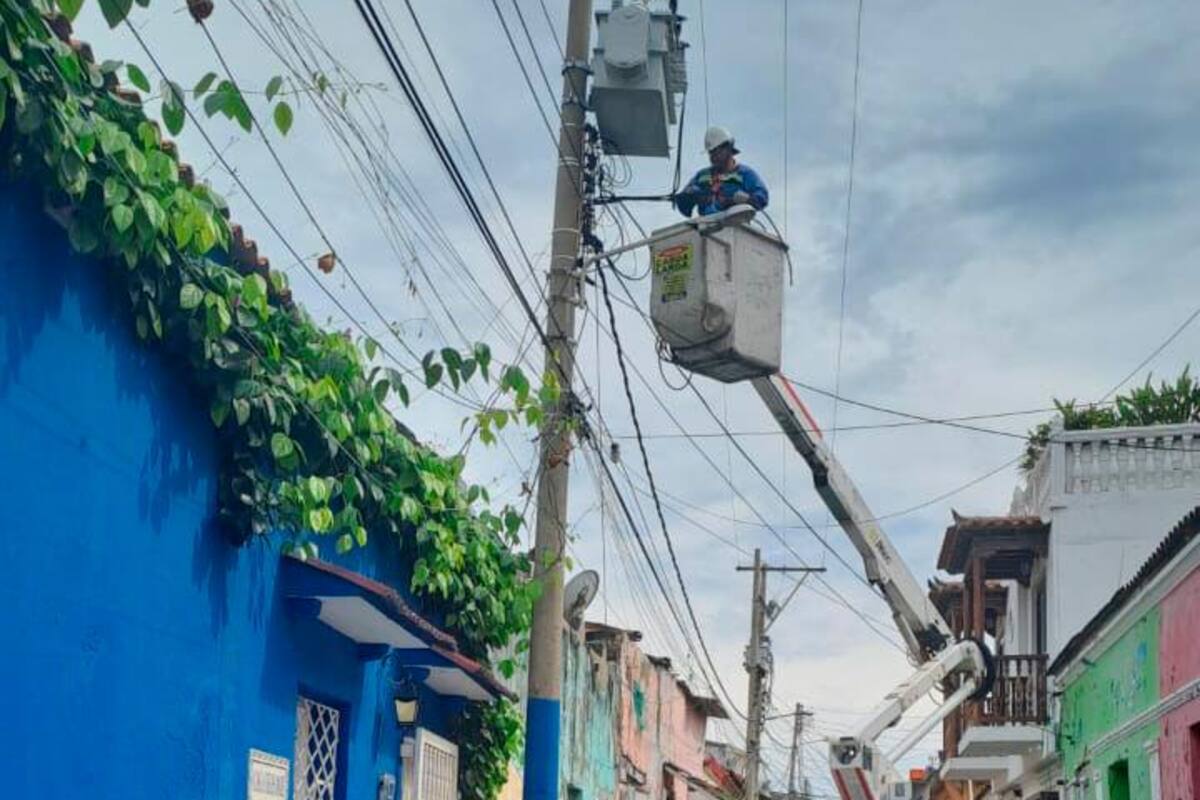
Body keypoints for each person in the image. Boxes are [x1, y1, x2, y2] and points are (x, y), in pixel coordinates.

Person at [673, 126, 769, 218]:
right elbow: (684, 201)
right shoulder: (702, 175)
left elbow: (762, 198)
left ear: (728, 149)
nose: (713, 157)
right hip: (706, 227)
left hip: (735, 227)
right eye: (711, 153)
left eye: (716, 151)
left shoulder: (745, 174)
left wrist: (746, 200)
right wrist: (691, 195)